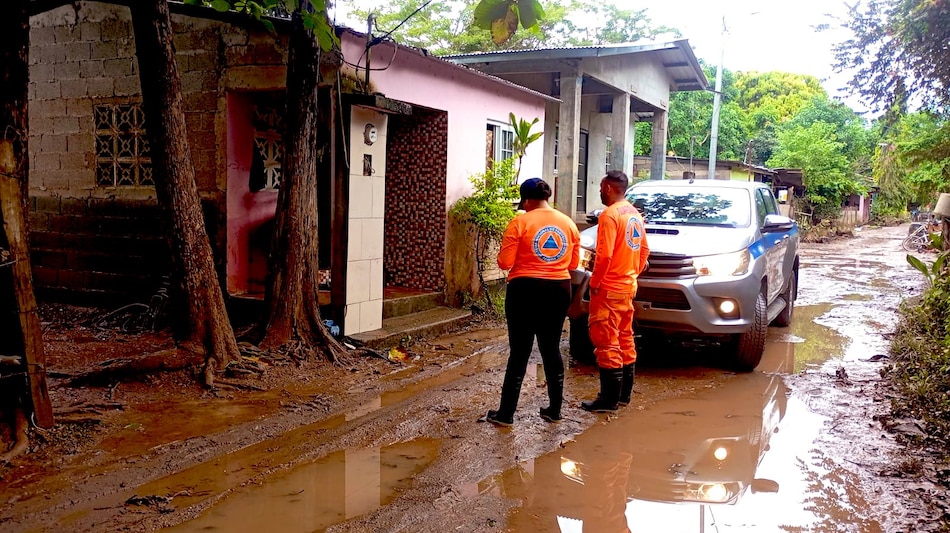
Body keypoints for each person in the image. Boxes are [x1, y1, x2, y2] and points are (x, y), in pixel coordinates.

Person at [485, 178, 580, 426]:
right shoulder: (568, 223)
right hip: (559, 289)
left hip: (524, 290)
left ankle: (506, 414)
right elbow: (572, 264)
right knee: (551, 348)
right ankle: (555, 410)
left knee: (519, 352)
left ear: (526, 200)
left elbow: (505, 263)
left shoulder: (520, 221)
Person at [581, 170, 649, 413]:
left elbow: (605, 254)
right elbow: (643, 252)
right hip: (627, 287)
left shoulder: (610, 215)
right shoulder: (634, 214)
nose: (599, 191)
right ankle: (623, 396)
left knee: (606, 341)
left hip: (609, 288)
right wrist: (631, 273)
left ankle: (608, 401)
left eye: (601, 186)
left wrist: (596, 282)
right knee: (624, 339)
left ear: (609, 188)